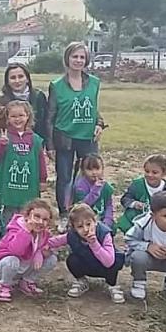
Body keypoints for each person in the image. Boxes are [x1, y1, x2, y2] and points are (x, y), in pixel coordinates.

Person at [47, 42, 106, 232]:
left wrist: (99, 123)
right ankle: (65, 214)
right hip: (64, 137)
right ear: (67, 59)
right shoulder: (56, 85)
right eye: (75, 56)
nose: (78, 60)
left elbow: (94, 109)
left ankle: (87, 213)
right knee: (65, 178)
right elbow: (50, 117)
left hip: (87, 138)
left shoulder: (94, 83)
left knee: (89, 175)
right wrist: (50, 145)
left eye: (82, 57)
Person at [0, 199, 60, 302]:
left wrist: (40, 251)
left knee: (51, 259)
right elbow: (15, 250)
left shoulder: (43, 234)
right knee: (12, 260)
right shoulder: (15, 229)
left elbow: (48, 246)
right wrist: (26, 231)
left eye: (45, 219)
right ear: (27, 216)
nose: (40, 222)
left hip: (23, 267)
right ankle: (5, 285)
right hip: (4, 267)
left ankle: (27, 281)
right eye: (37, 216)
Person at [53, 204, 125, 303]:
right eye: (80, 226)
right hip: (87, 264)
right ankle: (81, 281)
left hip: (105, 266)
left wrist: (94, 244)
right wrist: (43, 243)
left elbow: (108, 262)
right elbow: (56, 241)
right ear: (74, 228)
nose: (86, 229)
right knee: (72, 259)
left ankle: (113, 285)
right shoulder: (72, 235)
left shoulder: (104, 233)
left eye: (88, 224)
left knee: (114, 261)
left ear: (95, 222)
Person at [0, 100, 47, 225]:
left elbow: (40, 160)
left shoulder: (35, 139)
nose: (17, 119)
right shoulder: (4, 136)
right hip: (9, 186)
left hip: (29, 186)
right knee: (9, 217)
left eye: (21, 115)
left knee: (28, 213)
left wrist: (43, 179)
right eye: (13, 116)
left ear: (28, 116)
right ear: (7, 118)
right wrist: (1, 144)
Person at [115, 154, 166, 234]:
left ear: (164, 173)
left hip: (156, 219)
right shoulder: (137, 184)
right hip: (137, 216)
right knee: (130, 214)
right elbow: (125, 199)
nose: (150, 175)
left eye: (155, 172)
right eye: (147, 171)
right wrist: (134, 203)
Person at [0, 63, 49, 140]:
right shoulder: (2, 99)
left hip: (36, 143)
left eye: (21, 76)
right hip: (11, 144)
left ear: (27, 78)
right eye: (13, 78)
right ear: (7, 81)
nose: (17, 81)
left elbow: (45, 122)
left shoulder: (38, 96)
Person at [72, 153, 115, 230]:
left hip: (101, 217)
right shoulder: (80, 186)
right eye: (90, 169)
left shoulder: (105, 186)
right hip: (84, 219)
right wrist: (95, 190)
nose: (94, 172)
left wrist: (108, 220)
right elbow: (83, 205)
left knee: (111, 228)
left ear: (102, 169)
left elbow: (109, 205)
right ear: (83, 170)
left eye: (97, 169)